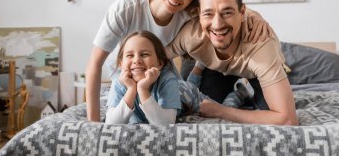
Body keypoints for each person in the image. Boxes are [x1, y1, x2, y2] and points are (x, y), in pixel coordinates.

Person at [86, 0, 270, 122]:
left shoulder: (187, 13)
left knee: (204, 105)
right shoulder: (126, 8)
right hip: (125, 76)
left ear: (192, 0)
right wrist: (93, 125)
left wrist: (256, 16)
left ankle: (239, 94)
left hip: (161, 77)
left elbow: (223, 3)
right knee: (132, 116)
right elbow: (95, 64)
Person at [166, 0, 299, 125]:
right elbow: (157, 58)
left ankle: (245, 88)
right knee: (203, 106)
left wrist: (221, 111)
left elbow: (288, 120)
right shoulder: (190, 35)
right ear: (199, 14)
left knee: (267, 109)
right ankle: (224, 81)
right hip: (216, 69)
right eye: (208, 14)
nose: (217, 24)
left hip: (254, 72)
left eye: (227, 12)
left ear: (242, 12)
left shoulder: (261, 44)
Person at [105, 31, 251, 124]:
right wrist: (131, 89)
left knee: (223, 109)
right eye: (130, 55)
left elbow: (165, 123)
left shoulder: (167, 78)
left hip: (187, 95)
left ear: (160, 63)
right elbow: (111, 123)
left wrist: (142, 89)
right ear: (120, 63)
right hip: (180, 87)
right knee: (185, 83)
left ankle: (240, 92)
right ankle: (199, 65)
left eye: (144, 54)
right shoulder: (119, 83)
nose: (136, 60)